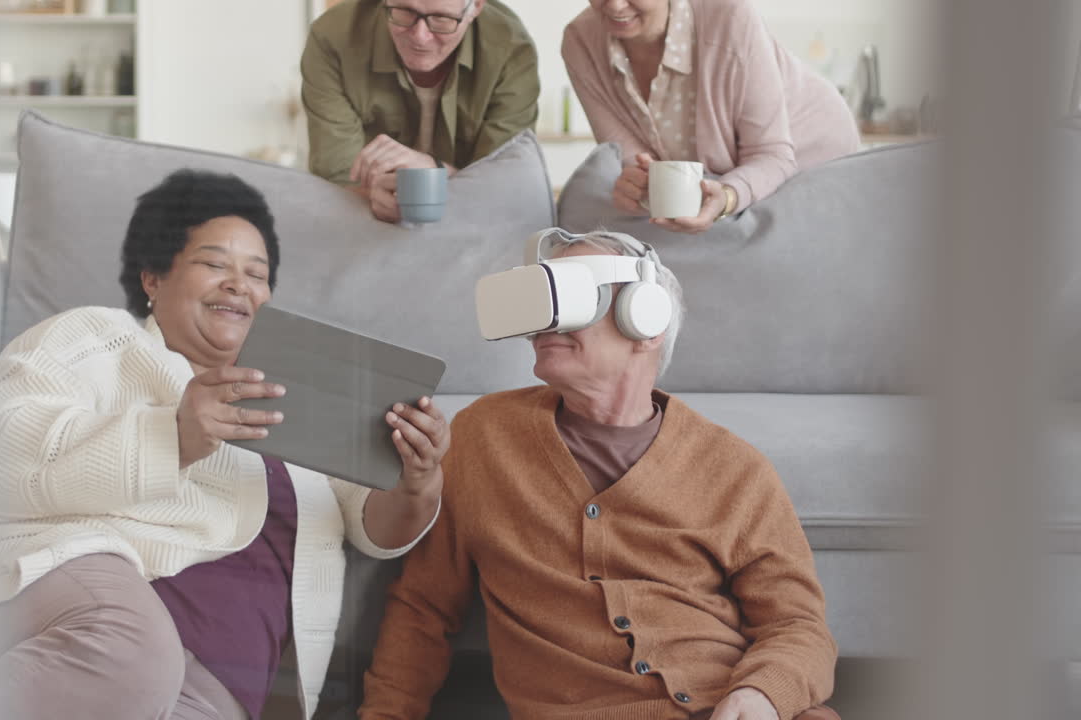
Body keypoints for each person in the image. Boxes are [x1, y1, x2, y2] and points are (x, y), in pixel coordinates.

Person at [0, 169, 450, 720]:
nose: (239, 284)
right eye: (214, 264)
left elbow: (376, 529)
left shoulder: (302, 395)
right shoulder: (94, 337)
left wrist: (416, 480)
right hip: (79, 596)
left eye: (257, 275)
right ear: (153, 278)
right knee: (131, 653)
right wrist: (176, 435)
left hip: (212, 691)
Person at [359, 229, 840, 720]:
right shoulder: (484, 437)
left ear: (647, 320)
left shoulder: (736, 469)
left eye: (574, 296)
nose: (548, 319)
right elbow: (424, 608)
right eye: (544, 298)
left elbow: (798, 625)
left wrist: (761, 695)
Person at [562, 0, 860, 233]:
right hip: (719, 174)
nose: (614, 5)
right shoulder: (580, 42)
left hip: (810, 153)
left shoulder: (729, 15)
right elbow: (634, 162)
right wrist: (640, 190)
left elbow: (772, 155)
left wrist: (728, 197)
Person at [301, 0, 539, 223]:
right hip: (361, 223)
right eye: (405, 11)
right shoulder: (333, 38)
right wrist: (371, 194)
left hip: (473, 225)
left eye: (441, 19)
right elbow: (337, 178)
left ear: (475, 6)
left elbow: (506, 184)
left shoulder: (510, 47)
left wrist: (433, 172)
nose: (420, 37)